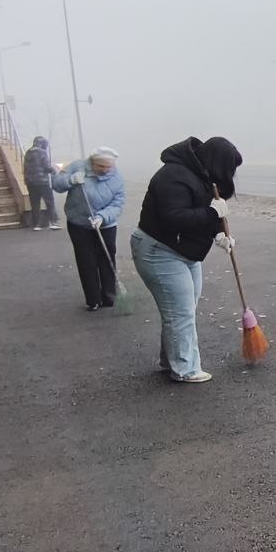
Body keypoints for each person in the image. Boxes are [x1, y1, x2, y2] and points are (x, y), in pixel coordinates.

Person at [131, 136, 243, 383]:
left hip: (184, 251)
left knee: (182, 310)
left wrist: (219, 234)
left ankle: (170, 360)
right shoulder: (173, 176)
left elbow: (203, 213)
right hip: (159, 250)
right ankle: (185, 369)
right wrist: (212, 212)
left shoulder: (202, 176)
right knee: (180, 312)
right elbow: (175, 218)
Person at [52, 147, 126, 311]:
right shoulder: (77, 167)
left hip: (105, 224)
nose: (105, 170)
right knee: (86, 260)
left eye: (108, 167)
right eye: (101, 166)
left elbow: (117, 204)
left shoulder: (117, 179)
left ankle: (109, 296)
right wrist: (70, 180)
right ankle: (93, 299)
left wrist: (102, 217)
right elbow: (56, 185)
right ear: (92, 162)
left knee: (107, 258)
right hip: (79, 223)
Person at [22, 136, 61, 231]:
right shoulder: (42, 152)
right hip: (42, 182)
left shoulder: (28, 152)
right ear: (42, 144)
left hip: (31, 182)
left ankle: (37, 224)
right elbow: (46, 166)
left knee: (35, 203)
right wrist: (54, 171)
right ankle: (53, 222)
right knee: (49, 201)